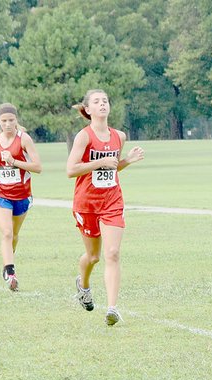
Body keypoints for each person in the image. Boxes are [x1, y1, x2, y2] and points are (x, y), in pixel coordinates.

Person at [67, 89, 145, 326]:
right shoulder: (84, 137)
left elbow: (111, 168)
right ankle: (84, 285)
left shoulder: (119, 136)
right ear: (88, 110)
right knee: (93, 256)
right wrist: (98, 161)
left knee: (112, 253)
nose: (102, 105)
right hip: (86, 202)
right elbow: (71, 170)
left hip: (112, 201)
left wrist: (126, 161)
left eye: (105, 101)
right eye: (96, 102)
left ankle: (112, 308)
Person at [0, 103, 42, 291]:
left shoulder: (24, 139)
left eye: (11, 120)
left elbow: (38, 167)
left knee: (14, 234)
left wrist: (14, 161)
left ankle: (9, 256)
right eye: (4, 121)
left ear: (16, 121)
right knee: (6, 233)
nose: (8, 124)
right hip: (0, 193)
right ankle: (10, 272)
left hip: (22, 194)